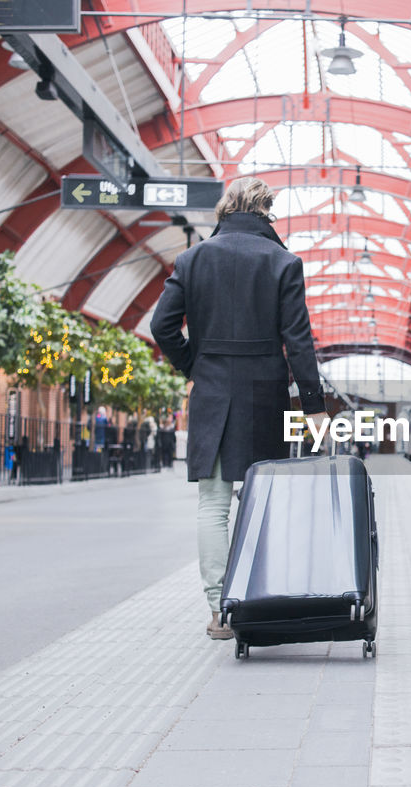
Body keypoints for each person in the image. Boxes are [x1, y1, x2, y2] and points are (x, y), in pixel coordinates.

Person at [152, 176, 328, 640]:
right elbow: (298, 340)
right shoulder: (283, 262)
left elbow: (162, 326)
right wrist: (314, 405)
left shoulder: (191, 260)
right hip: (264, 393)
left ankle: (218, 610)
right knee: (260, 499)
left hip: (210, 391)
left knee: (212, 504)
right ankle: (256, 599)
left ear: (224, 210)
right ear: (267, 212)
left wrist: (197, 365)